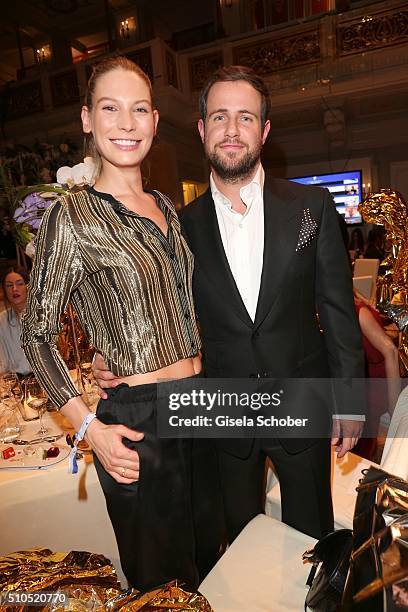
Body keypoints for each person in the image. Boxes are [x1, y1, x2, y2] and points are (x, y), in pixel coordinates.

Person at [94, 65, 365, 543]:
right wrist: (118, 357)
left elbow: (339, 311)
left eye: (245, 117)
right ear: (201, 131)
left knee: (314, 540)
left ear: (263, 130)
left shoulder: (311, 207)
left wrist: (350, 399)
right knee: (239, 548)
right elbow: (162, 312)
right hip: (223, 417)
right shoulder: (175, 226)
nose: (232, 130)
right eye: (220, 117)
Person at [21, 56, 221, 591]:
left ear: (156, 120)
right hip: (138, 423)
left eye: (138, 110)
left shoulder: (166, 207)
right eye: (110, 109)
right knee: (164, 587)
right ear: (87, 119)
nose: (126, 124)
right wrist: (89, 429)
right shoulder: (73, 217)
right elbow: (35, 333)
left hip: (201, 406)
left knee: (216, 563)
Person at [353, 290, 400, 460]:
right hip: (367, 386)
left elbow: (391, 351)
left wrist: (395, 412)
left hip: (374, 387)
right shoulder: (353, 302)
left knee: (361, 451)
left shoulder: (357, 312)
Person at [0, 266, 32, 375]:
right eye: (9, 285)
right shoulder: (2, 320)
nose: (14, 289)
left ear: (28, 287)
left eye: (19, 283)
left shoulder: (42, 314)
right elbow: (3, 364)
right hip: (17, 383)